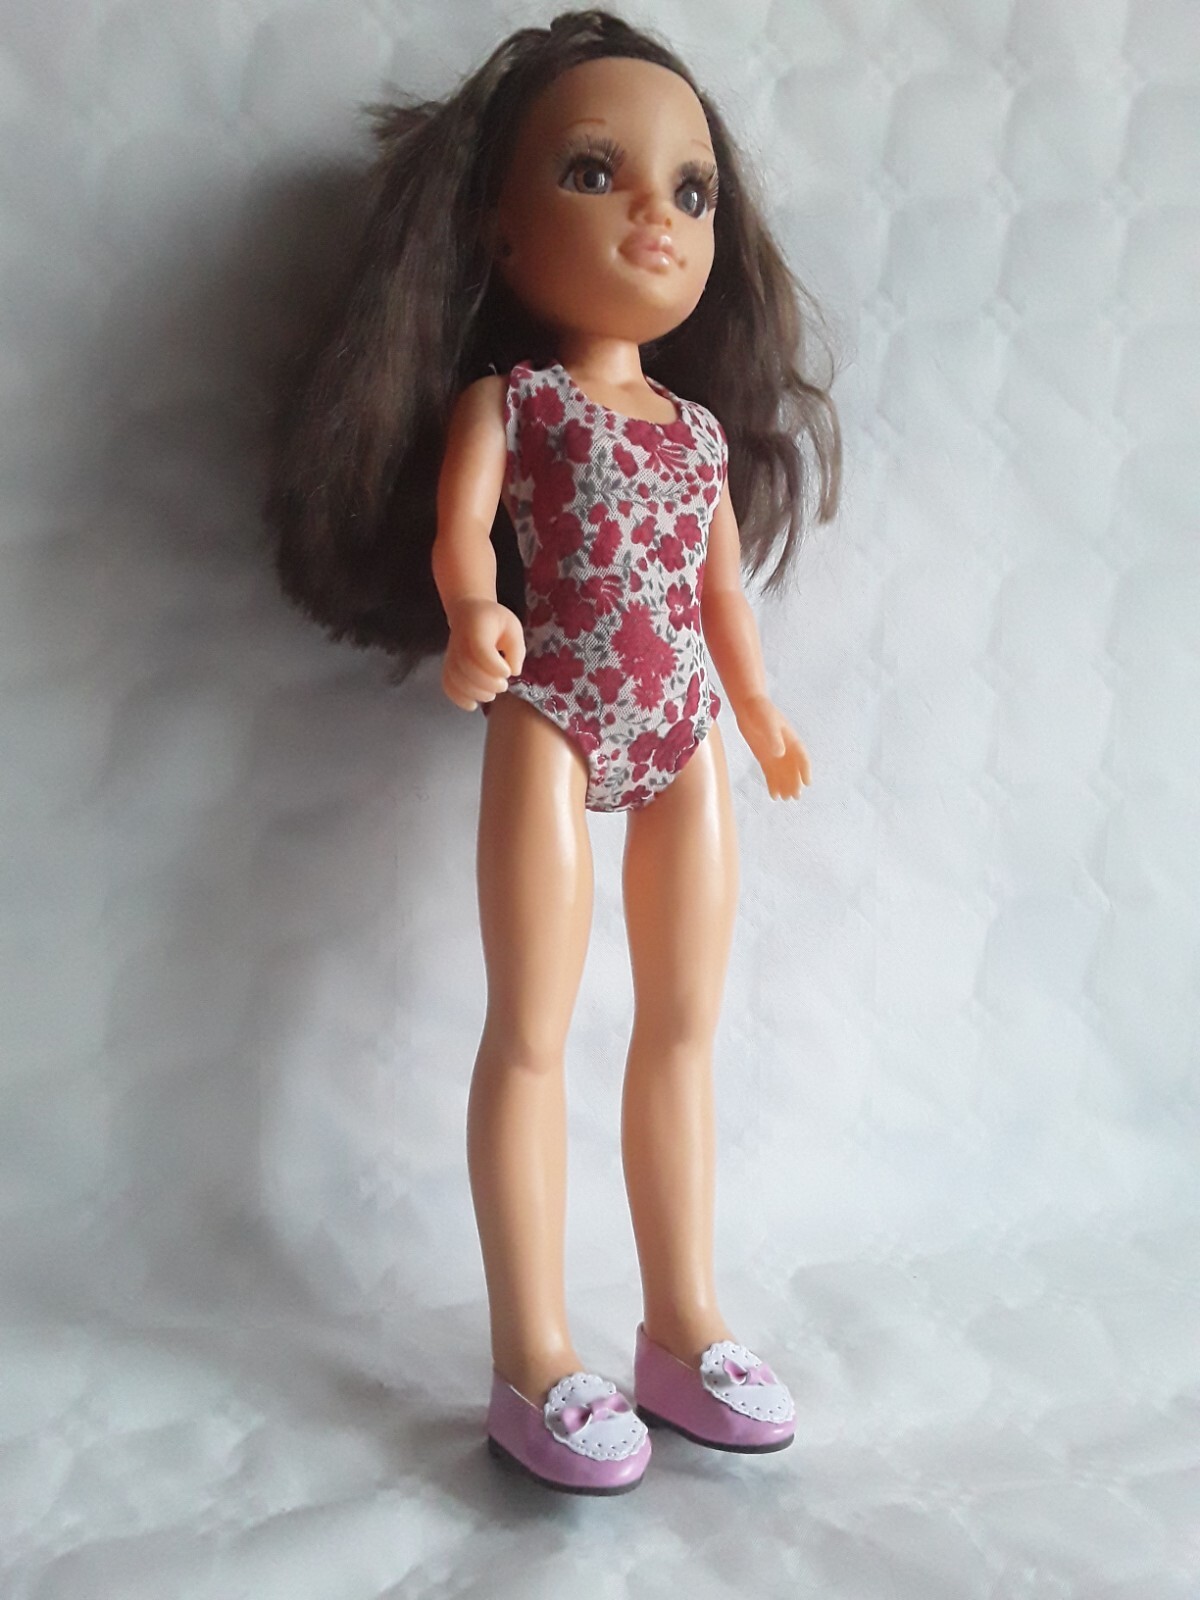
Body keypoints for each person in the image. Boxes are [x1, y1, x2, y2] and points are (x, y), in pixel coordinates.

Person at [264, 8, 842, 1495]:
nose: (658, 213)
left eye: (691, 190)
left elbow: (721, 594)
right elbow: (466, 532)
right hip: (551, 718)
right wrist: (474, 615)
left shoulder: (698, 434)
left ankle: (683, 1325)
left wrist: (760, 709)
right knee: (529, 1026)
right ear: (497, 228)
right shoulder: (514, 403)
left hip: (686, 739)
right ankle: (533, 1355)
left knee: (684, 1025)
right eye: (597, 172)